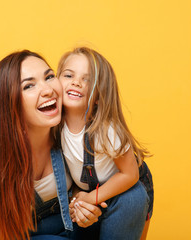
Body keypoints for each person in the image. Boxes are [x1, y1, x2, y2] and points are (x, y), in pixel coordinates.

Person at [0, 50, 102, 240]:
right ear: (8, 101)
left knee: (134, 192)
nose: (48, 90)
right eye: (29, 86)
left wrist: (82, 203)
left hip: (78, 229)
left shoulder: (72, 131)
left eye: (49, 77)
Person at [56, 47, 154, 240]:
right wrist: (78, 199)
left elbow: (130, 174)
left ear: (100, 96)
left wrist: (90, 198)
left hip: (125, 189)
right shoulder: (54, 125)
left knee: (133, 201)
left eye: (87, 79)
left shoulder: (106, 130)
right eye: (69, 75)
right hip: (87, 193)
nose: (76, 82)